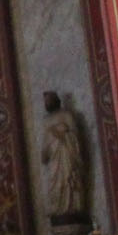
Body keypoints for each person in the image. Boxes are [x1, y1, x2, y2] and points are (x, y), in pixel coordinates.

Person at [38, 90, 88, 224]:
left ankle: (73, 209)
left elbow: (75, 136)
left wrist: (62, 133)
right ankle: (58, 210)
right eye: (45, 101)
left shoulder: (66, 115)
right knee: (56, 185)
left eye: (48, 100)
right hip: (54, 160)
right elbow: (45, 142)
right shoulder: (46, 120)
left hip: (67, 155)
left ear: (56, 100)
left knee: (68, 181)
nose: (46, 103)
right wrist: (44, 152)